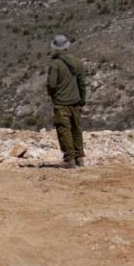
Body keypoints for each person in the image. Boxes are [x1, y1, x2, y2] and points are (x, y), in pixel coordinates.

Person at [46, 35, 87, 168]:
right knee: (76, 129)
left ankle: (69, 159)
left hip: (61, 102)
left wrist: (53, 97)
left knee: (64, 130)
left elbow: (51, 85)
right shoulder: (77, 62)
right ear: (67, 46)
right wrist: (82, 100)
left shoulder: (55, 64)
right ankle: (79, 157)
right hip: (76, 101)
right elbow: (82, 84)